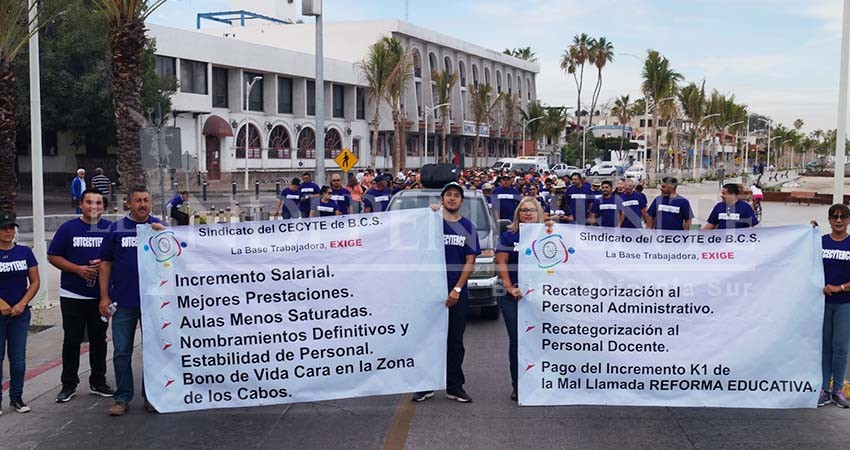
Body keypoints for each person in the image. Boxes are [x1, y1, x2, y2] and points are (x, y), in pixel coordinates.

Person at [98, 185, 164, 416]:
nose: (143, 204)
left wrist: (162, 234)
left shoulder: (159, 226)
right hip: (123, 301)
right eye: (138, 200)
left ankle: (152, 396)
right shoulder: (117, 230)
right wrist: (104, 296)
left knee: (154, 351)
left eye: (146, 200)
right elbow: (105, 263)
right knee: (121, 351)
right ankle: (122, 398)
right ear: (128, 203)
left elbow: (175, 257)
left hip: (153, 302)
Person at [412, 182, 481, 403]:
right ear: (442, 199)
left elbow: (470, 261)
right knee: (428, 339)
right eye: (448, 195)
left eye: (456, 196)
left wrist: (457, 289)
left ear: (461, 201)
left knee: (455, 341)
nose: (452, 199)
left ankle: (454, 386)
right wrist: (429, 214)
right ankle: (426, 385)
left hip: (456, 292)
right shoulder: (431, 224)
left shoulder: (468, 227)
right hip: (430, 292)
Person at [48, 188, 114, 403]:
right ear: (81, 204)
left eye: (98, 203)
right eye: (89, 202)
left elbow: (118, 257)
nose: (93, 207)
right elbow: (53, 256)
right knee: (72, 340)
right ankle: (68, 384)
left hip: (100, 296)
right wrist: (77, 269)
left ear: (103, 206)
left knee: (99, 340)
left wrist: (103, 263)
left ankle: (98, 381)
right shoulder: (68, 229)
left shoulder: (111, 229)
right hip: (72, 294)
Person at [495, 197, 545, 401]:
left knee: (540, 341)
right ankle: (519, 384)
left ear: (538, 213)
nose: (527, 213)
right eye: (523, 210)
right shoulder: (509, 236)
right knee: (518, 341)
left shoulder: (546, 235)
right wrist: (509, 287)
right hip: (512, 297)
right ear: (518, 214)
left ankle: (541, 381)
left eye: (532, 210)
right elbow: (501, 262)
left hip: (540, 298)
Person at [0, 211, 40, 414]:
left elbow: (35, 282)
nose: (8, 231)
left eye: (11, 227)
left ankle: (16, 397)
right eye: (4, 227)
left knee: (18, 359)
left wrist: (22, 303)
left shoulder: (24, 252)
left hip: (19, 314)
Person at [818, 204, 850, 408]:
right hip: (822, 303)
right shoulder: (820, 242)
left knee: (840, 347)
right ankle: (823, 389)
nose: (838, 220)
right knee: (824, 347)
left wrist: (840, 287)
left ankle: (837, 389)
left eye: (843, 217)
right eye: (835, 217)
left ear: (848, 220)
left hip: (844, 304)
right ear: (829, 220)